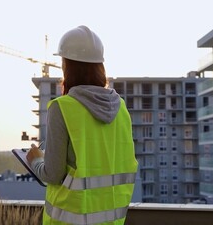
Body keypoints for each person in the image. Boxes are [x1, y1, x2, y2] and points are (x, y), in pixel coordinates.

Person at [26, 25, 138, 225]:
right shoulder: (121, 109)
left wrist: (34, 160)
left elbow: (52, 174)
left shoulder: (62, 108)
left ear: (66, 66)